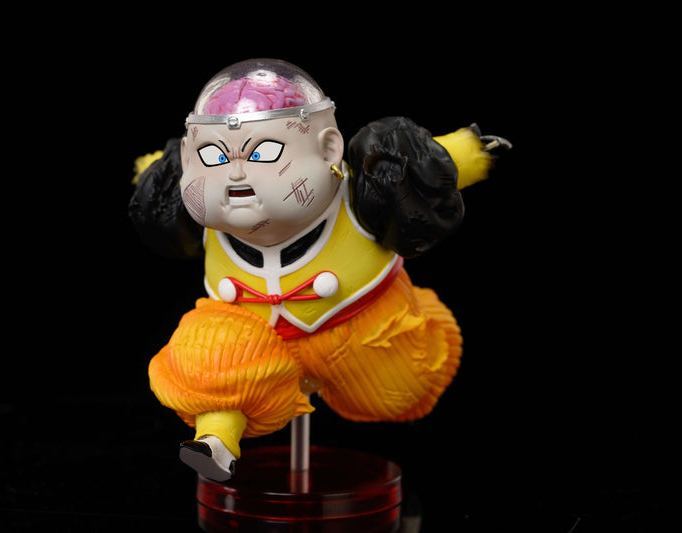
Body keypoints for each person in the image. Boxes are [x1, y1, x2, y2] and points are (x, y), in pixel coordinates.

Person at [129, 58, 510, 481]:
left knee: (402, 387)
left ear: (328, 148)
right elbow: (156, 178)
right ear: (188, 158)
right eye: (214, 156)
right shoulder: (193, 206)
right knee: (206, 355)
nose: (235, 173)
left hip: (361, 325)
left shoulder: (367, 185)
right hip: (247, 332)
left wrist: (470, 153)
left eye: (264, 152)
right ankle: (217, 440)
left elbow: (428, 164)